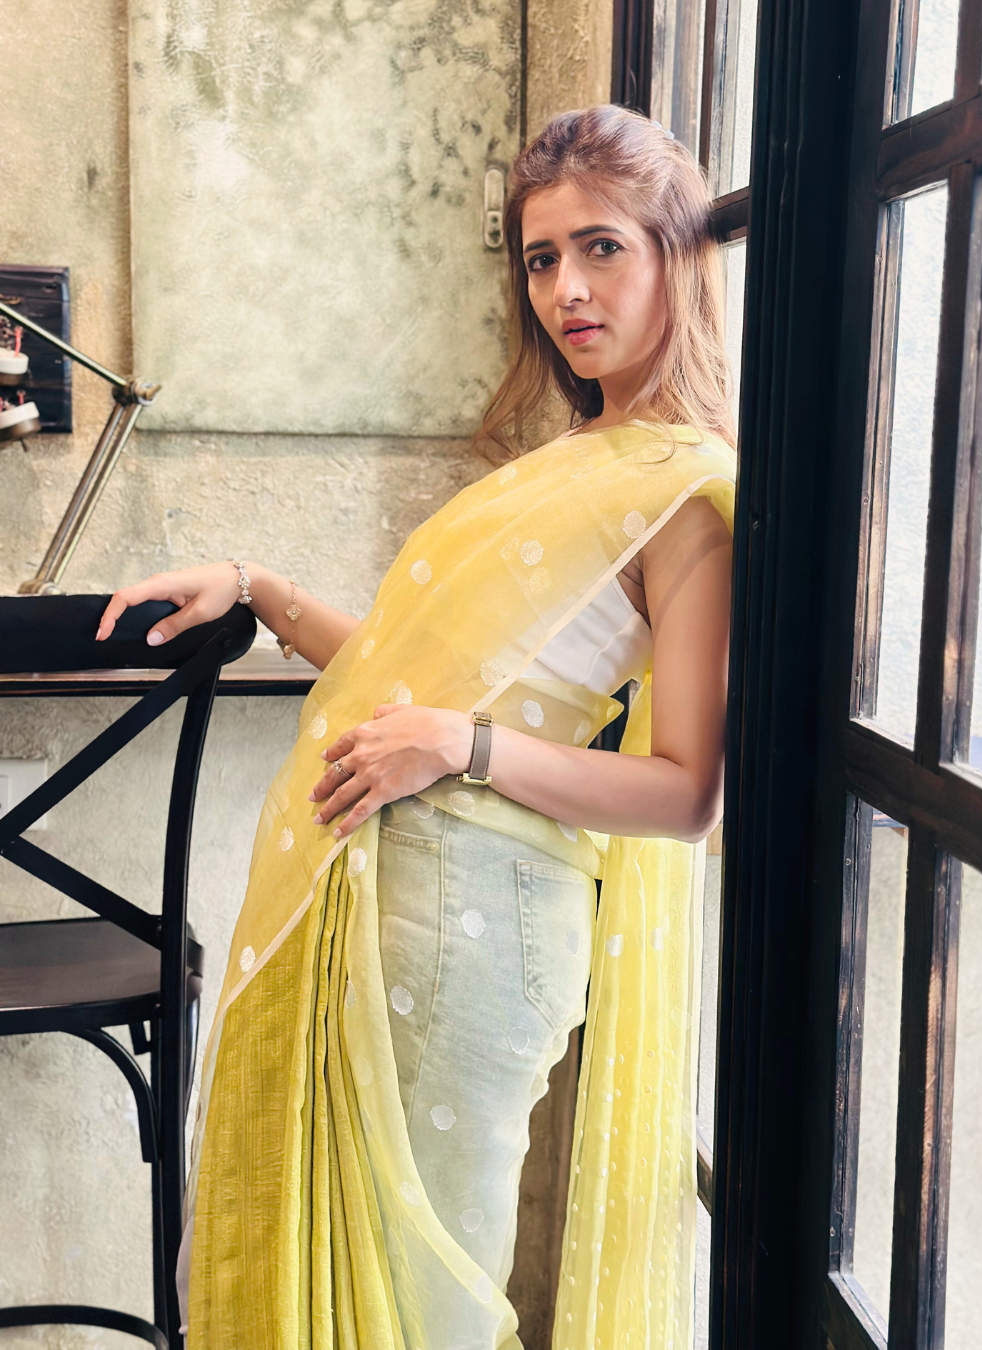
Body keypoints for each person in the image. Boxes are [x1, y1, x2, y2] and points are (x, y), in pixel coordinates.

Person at [97, 104, 738, 1350]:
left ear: (678, 256)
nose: (566, 290)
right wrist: (261, 589)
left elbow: (686, 792)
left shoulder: (684, 492)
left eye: (602, 248)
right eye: (541, 258)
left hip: (475, 929)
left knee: (418, 1299)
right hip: (397, 893)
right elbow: (407, 687)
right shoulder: (578, 454)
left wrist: (466, 748)